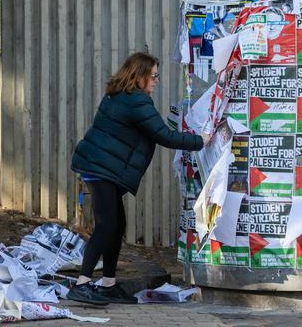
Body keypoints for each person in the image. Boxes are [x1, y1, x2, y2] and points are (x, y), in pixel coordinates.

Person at [68, 52, 210, 305]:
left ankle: (108, 284)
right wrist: (201, 141)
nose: (156, 81)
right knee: (105, 225)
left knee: (116, 225)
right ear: (141, 75)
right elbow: (164, 136)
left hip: (100, 166)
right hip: (101, 167)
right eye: (153, 76)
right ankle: (82, 283)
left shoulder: (119, 94)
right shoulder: (137, 102)